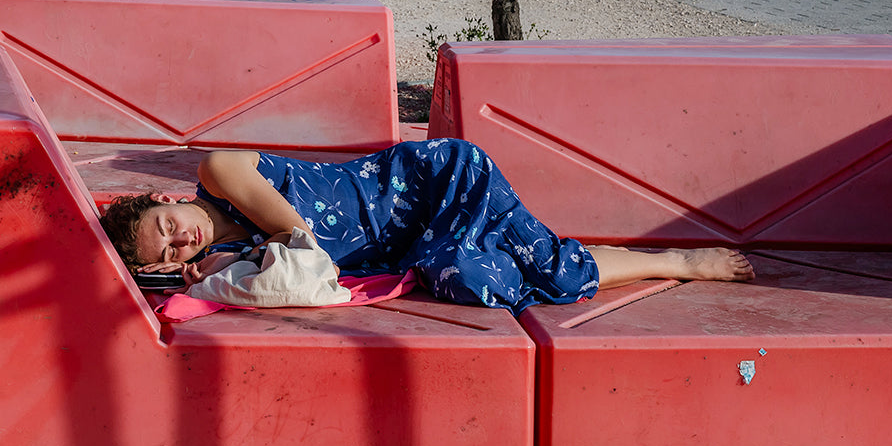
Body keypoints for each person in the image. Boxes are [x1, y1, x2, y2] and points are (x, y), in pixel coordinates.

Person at [100, 140, 755, 314]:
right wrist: (221, 268)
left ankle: (681, 259)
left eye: (167, 223)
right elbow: (300, 278)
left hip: (437, 179)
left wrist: (228, 269)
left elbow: (303, 246)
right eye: (167, 249)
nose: (180, 238)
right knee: (481, 280)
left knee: (553, 271)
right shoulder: (233, 251)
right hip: (420, 244)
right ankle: (595, 259)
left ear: (166, 197)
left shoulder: (219, 171)